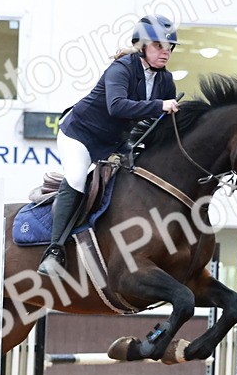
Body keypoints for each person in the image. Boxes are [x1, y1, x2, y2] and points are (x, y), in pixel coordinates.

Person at [37, 15, 180, 279]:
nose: (166, 52)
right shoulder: (122, 68)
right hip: (80, 135)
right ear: (142, 46)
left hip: (114, 142)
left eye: (170, 48)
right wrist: (160, 105)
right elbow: (117, 106)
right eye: (160, 46)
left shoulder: (165, 81)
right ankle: (54, 250)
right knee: (78, 177)